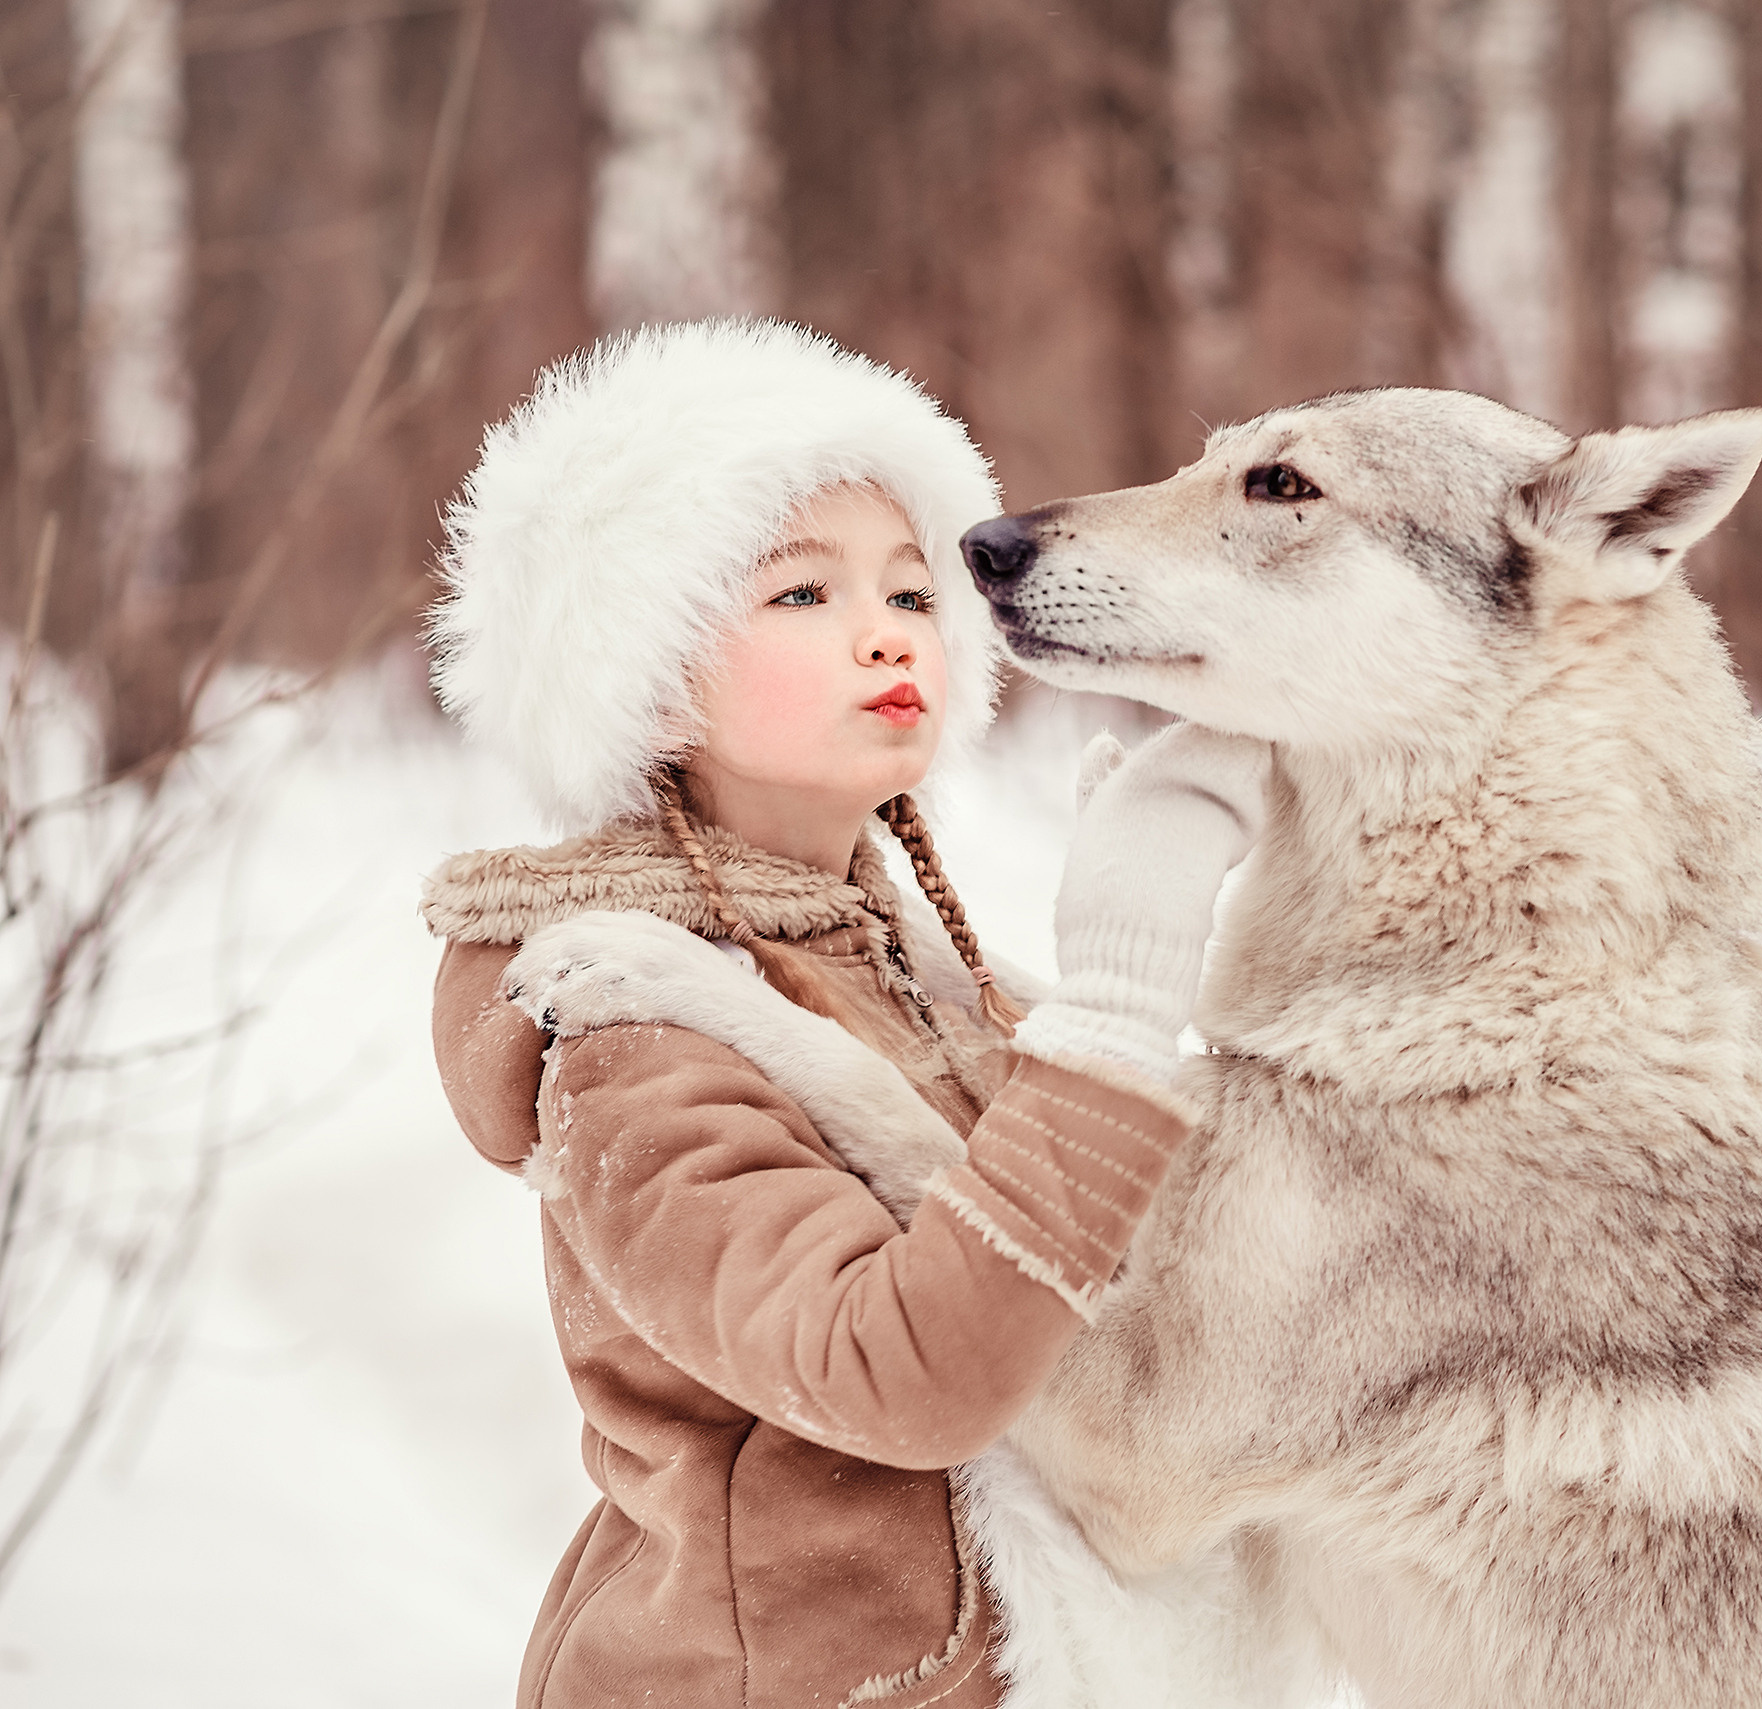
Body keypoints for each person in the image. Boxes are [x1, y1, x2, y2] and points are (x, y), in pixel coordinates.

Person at [419, 318, 1266, 1709]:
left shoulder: (906, 964)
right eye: (802, 592)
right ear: (648, 675)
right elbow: (898, 1373)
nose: (887, 631)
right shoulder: (629, 1037)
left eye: (913, 591)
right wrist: (1116, 1001)